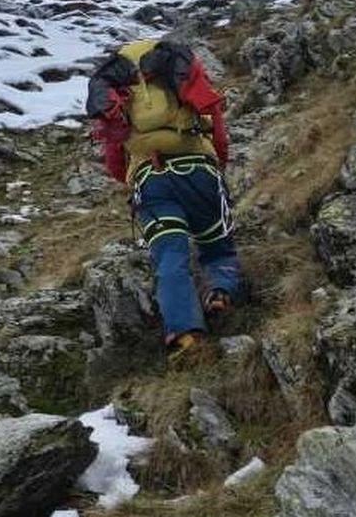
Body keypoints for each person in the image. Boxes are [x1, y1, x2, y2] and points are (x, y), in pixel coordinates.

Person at [86, 38, 242, 363]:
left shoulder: (116, 88)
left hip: (152, 181)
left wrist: (133, 173)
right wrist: (217, 162)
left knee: (170, 254)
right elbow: (215, 121)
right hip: (199, 170)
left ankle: (185, 335)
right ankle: (220, 290)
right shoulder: (181, 69)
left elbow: (114, 157)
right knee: (216, 246)